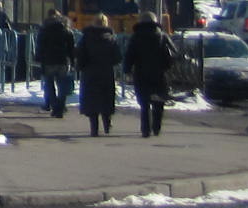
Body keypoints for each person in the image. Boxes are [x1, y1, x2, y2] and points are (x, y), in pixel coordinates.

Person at [125, 10, 177, 138]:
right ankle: (156, 127)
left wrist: (127, 70)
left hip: (141, 74)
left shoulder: (136, 37)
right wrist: (167, 67)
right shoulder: (162, 36)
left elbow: (129, 56)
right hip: (160, 74)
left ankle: (145, 129)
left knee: (144, 103)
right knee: (158, 102)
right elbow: (174, 53)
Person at [75, 20, 122, 136]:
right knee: (106, 98)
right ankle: (107, 124)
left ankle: (94, 129)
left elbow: (80, 55)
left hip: (90, 72)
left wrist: (80, 67)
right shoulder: (110, 39)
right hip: (106, 72)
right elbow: (117, 57)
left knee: (92, 100)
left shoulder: (86, 38)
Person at [35, 10, 77, 119]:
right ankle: (61, 106)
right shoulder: (66, 30)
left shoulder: (44, 30)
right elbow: (71, 48)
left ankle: (54, 106)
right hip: (63, 60)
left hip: (48, 60)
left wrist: (38, 59)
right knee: (62, 85)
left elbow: (40, 46)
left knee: (49, 84)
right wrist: (72, 61)